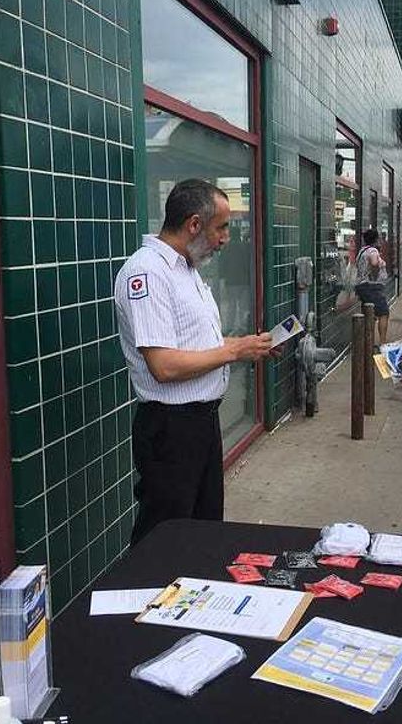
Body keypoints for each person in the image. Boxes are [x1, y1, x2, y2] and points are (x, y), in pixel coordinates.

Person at [114, 179, 273, 545]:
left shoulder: (186, 270)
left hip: (201, 422)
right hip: (172, 429)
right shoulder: (148, 273)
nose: (226, 238)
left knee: (203, 530)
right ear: (194, 224)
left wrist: (247, 346)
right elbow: (164, 365)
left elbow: (196, 346)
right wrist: (233, 352)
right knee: (165, 537)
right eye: (222, 228)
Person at [354, 228, 389, 345]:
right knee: (383, 313)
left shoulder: (362, 251)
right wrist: (380, 262)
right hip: (371, 287)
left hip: (362, 286)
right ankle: (382, 343)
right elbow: (374, 263)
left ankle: (368, 343)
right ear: (376, 239)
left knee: (370, 314)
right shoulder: (373, 250)